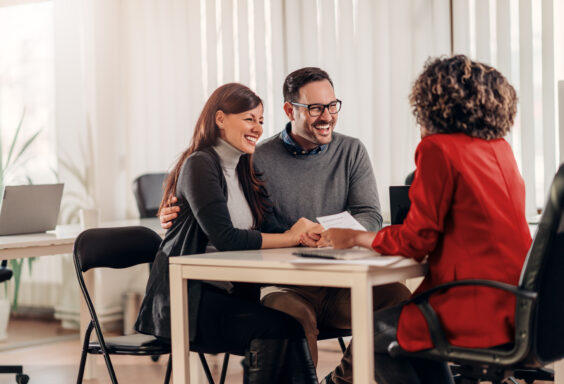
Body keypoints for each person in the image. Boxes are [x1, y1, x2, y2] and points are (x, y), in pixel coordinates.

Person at [160, 67, 410, 384]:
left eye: (332, 106)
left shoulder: (352, 150)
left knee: (399, 298)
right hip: (286, 283)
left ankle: (341, 381)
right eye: (316, 108)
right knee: (291, 318)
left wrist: (334, 235)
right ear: (290, 110)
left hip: (345, 282)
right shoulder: (254, 156)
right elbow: (226, 202)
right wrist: (174, 209)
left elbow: (370, 214)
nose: (327, 116)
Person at [320, 55, 531, 384]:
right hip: (516, 305)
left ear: (432, 101)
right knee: (404, 339)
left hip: (474, 305)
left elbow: (416, 243)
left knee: (374, 333)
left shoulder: (438, 149)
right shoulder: (499, 148)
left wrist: (355, 237)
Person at [135, 83, 321, 383]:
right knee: (278, 329)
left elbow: (271, 228)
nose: (258, 128)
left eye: (261, 121)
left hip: (231, 295)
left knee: (288, 328)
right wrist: (293, 237)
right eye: (249, 119)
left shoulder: (245, 167)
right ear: (220, 119)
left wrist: (308, 232)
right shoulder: (200, 164)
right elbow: (226, 238)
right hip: (190, 302)